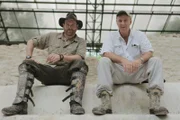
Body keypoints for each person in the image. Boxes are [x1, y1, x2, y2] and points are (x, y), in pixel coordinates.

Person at [2, 12, 88, 116]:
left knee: (81, 64)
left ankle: (76, 103)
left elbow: (80, 57)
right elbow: (31, 41)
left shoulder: (81, 41)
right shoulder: (52, 36)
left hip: (67, 75)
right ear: (63, 25)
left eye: (73, 25)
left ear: (77, 27)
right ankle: (20, 104)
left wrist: (61, 56)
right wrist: (29, 57)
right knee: (26, 64)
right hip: (49, 73)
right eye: (67, 24)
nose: (70, 27)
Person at [92, 10, 169, 116]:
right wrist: (123, 60)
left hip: (137, 73)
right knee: (103, 61)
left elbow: (149, 52)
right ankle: (105, 104)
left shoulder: (140, 35)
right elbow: (106, 53)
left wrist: (139, 61)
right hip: (118, 74)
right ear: (117, 22)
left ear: (130, 21)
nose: (123, 23)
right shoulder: (111, 36)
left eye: (125, 20)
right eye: (120, 21)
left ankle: (155, 103)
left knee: (155, 60)